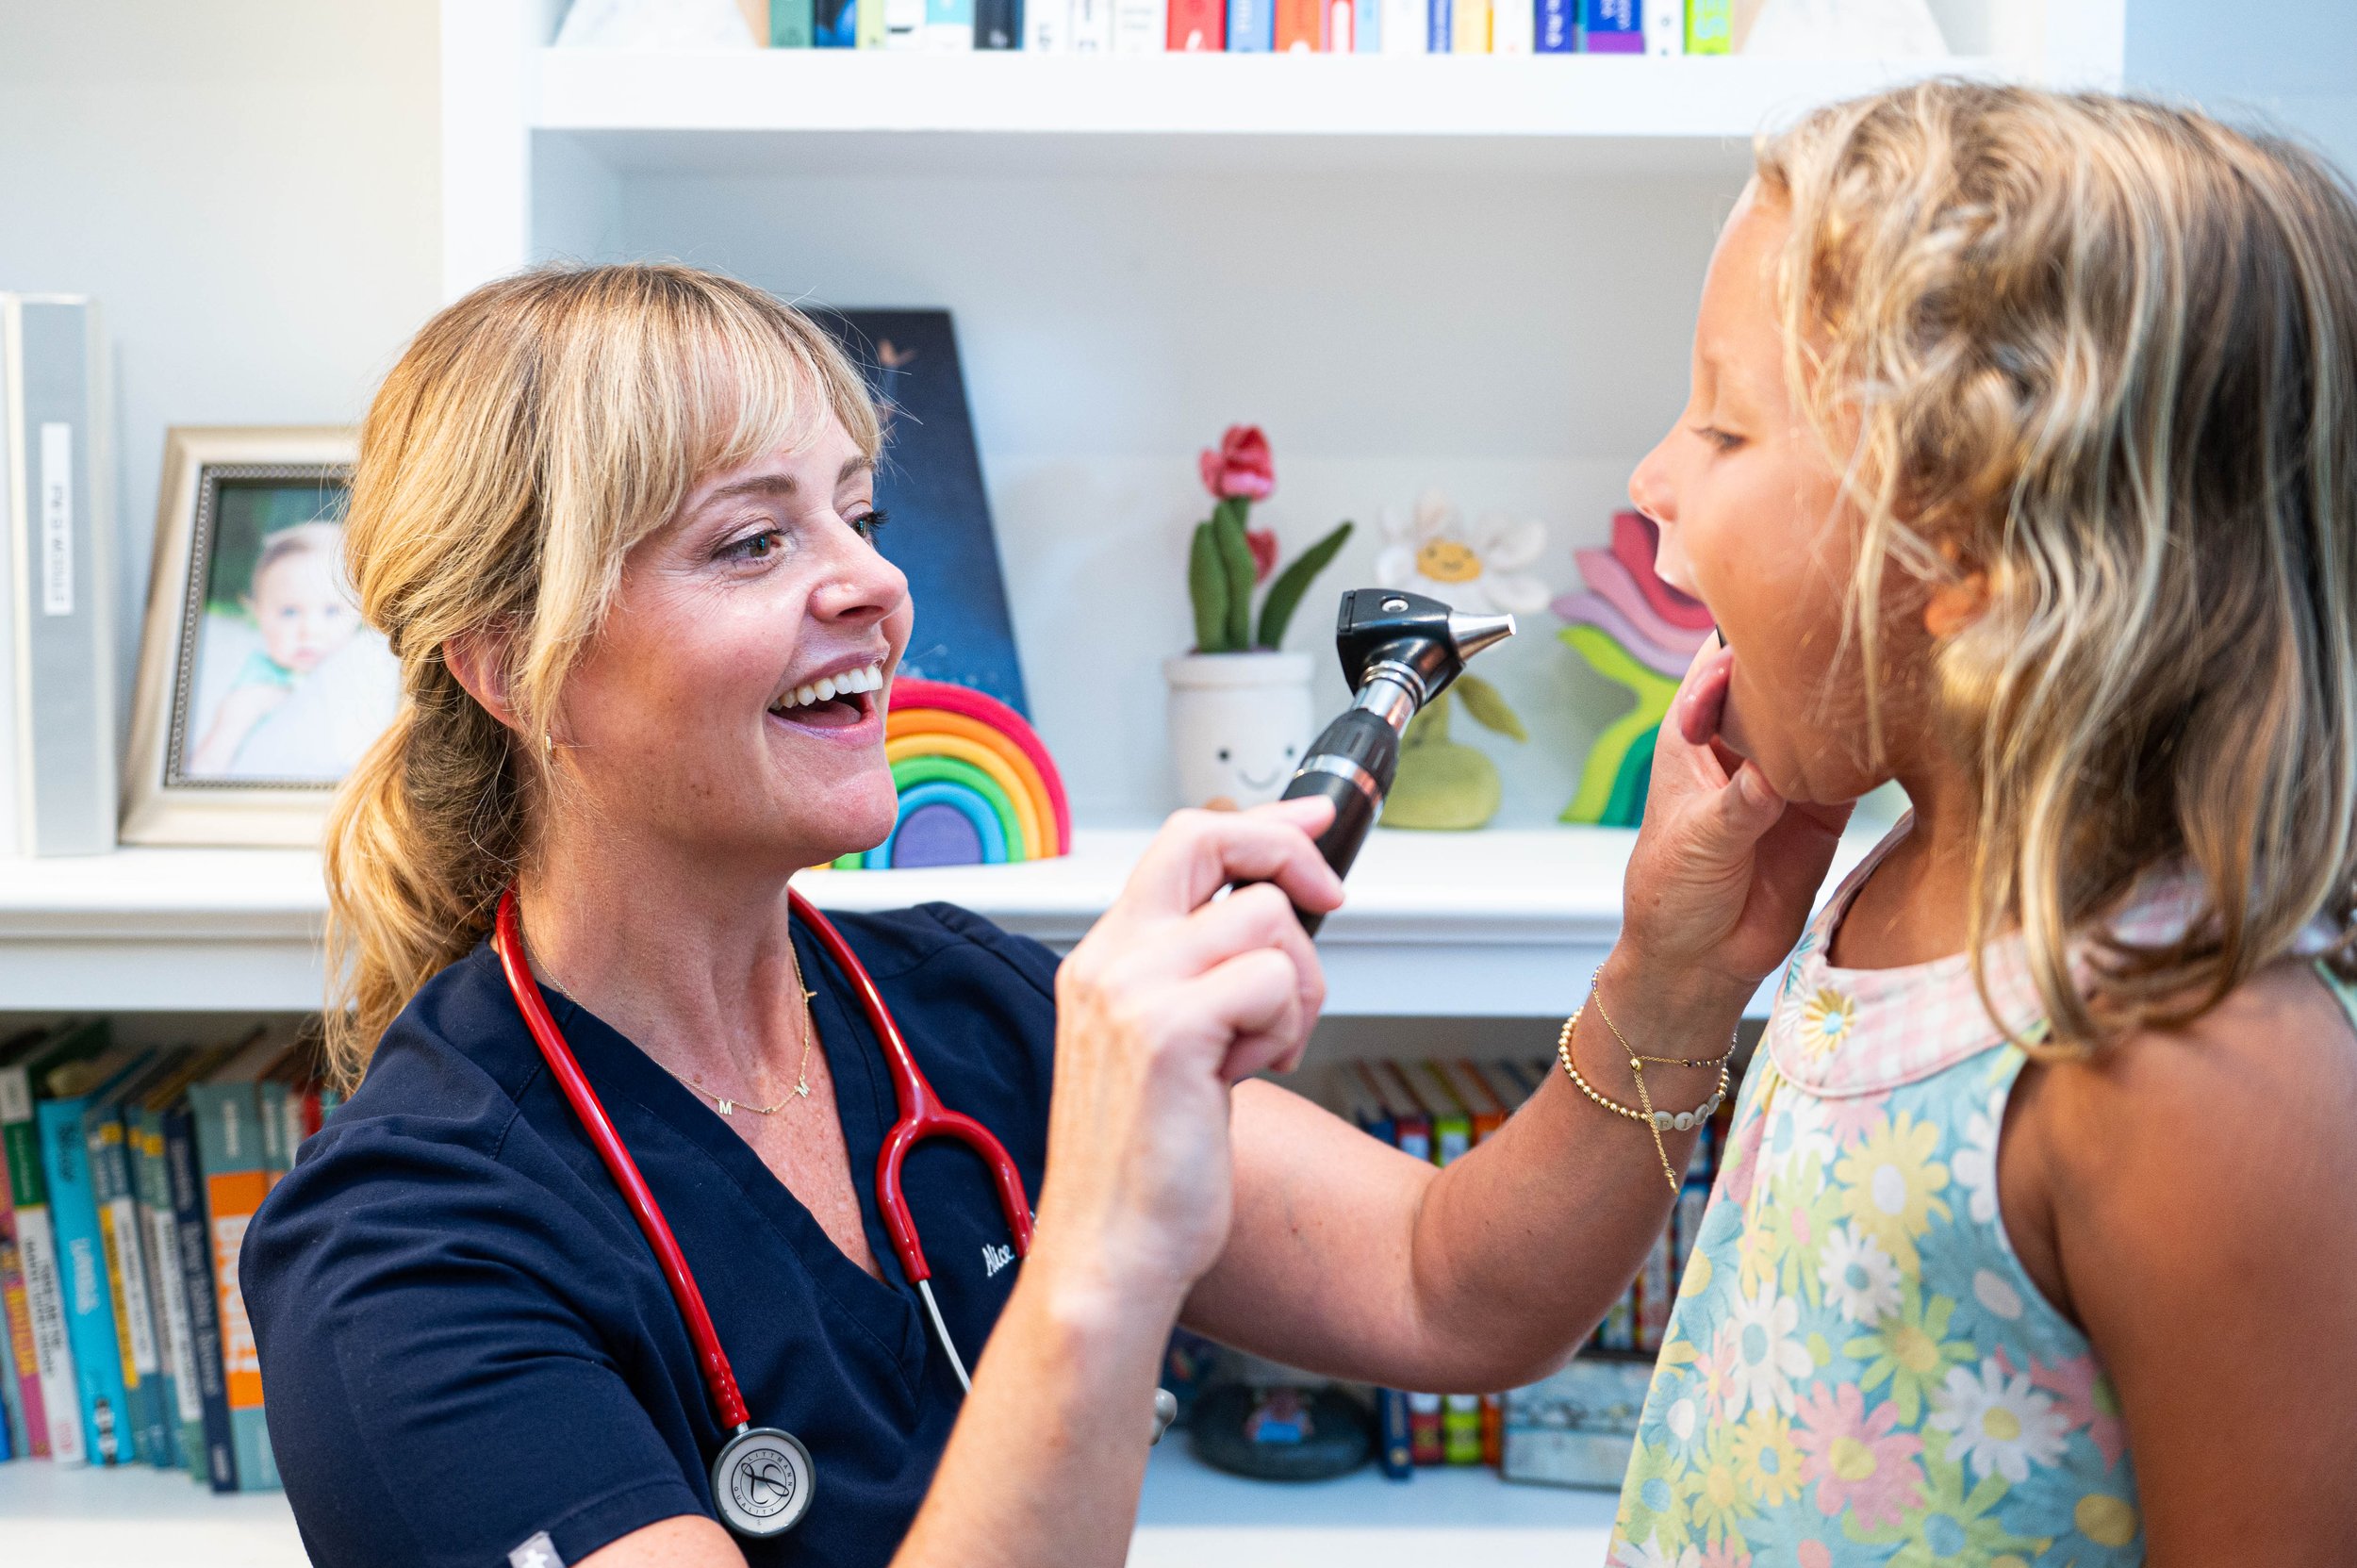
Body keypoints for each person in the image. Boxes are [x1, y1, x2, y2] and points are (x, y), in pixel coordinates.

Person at [241, 264, 1847, 1568]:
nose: (870, 581)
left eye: (857, 515)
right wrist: (1109, 1234)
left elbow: (1458, 1286)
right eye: (752, 539)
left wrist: (1677, 969)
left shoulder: (958, 1011)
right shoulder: (402, 1257)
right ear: (510, 663)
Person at [1604, 82, 2357, 1566]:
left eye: (1725, 425)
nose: (1653, 480)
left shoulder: (2199, 1071)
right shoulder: (1885, 881)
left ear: (1970, 545)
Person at [190, 520, 364, 775]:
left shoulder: (359, 665)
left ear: (359, 613)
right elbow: (206, 765)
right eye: (290, 612)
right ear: (257, 614)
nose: (310, 630)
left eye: (332, 611)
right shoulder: (257, 687)